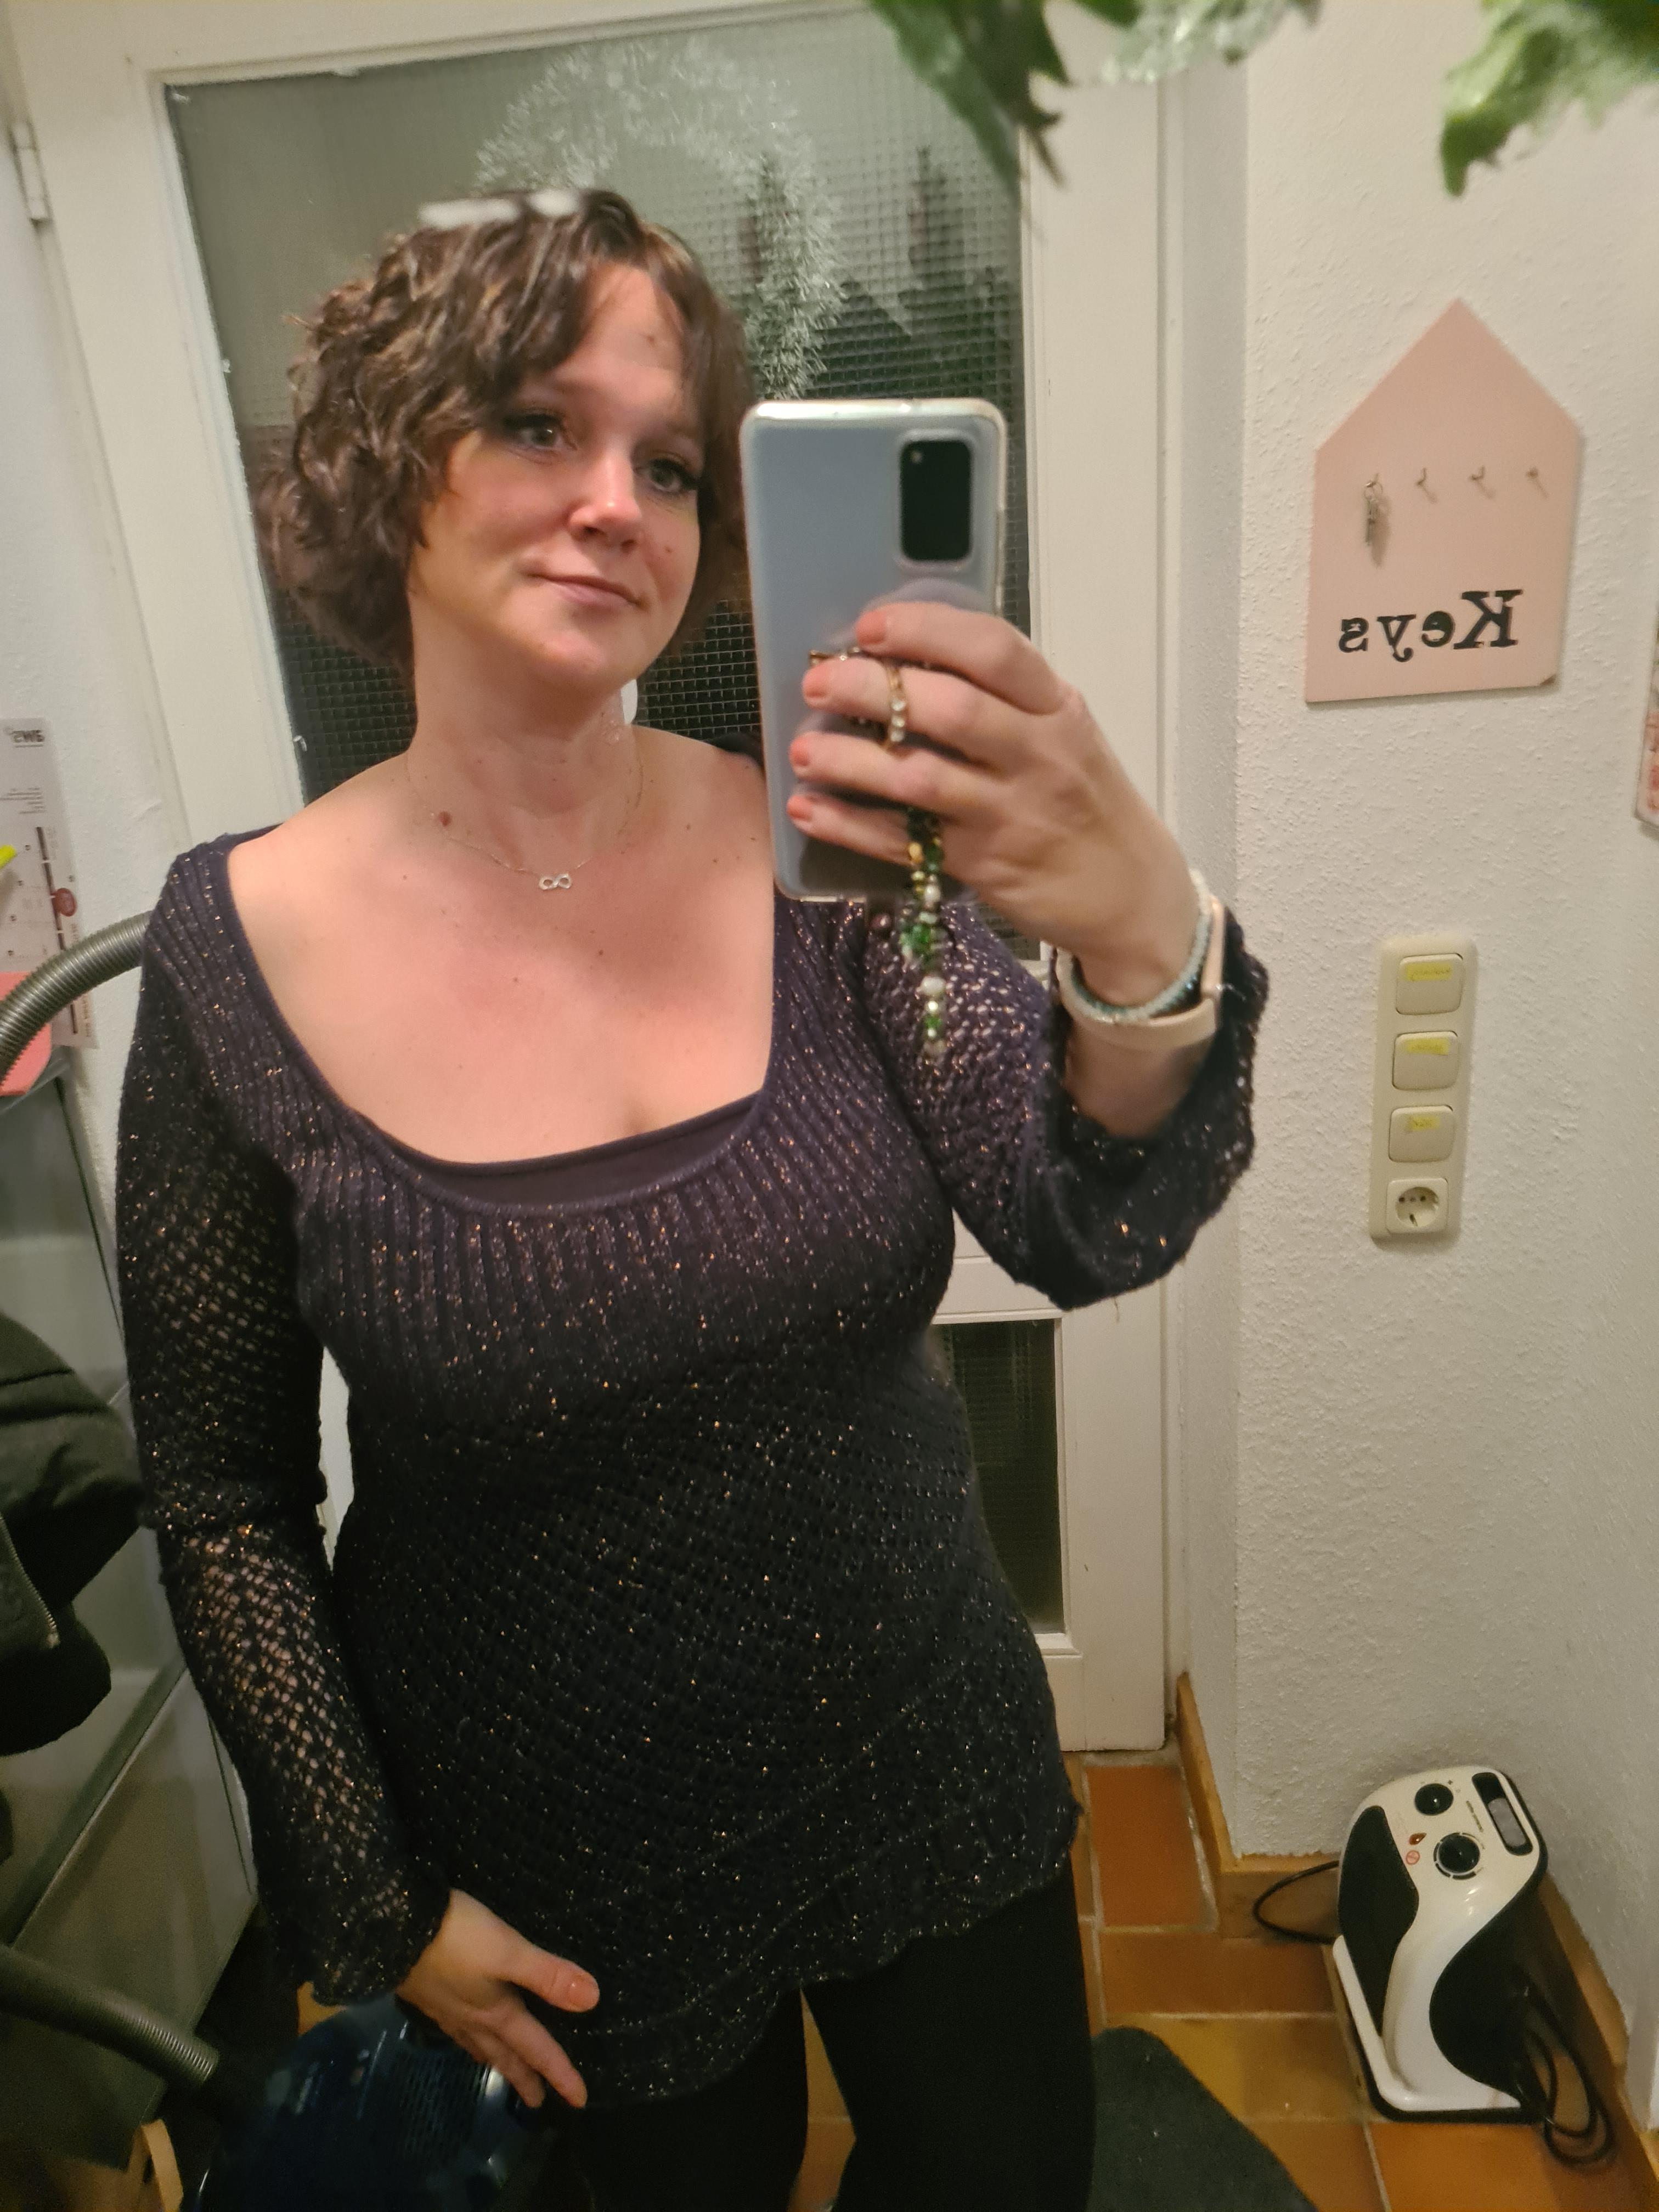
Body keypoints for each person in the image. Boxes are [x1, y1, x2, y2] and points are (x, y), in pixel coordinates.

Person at [115, 189, 1266, 2212]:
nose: (616, 504)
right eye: (540, 426)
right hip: (554, 1854)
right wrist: (376, 1900)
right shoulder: (235, 958)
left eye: (667, 462)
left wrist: (1144, 943)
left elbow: (1071, 1214)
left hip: (923, 1744)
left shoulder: (831, 854)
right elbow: (221, 1495)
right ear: (393, 461)